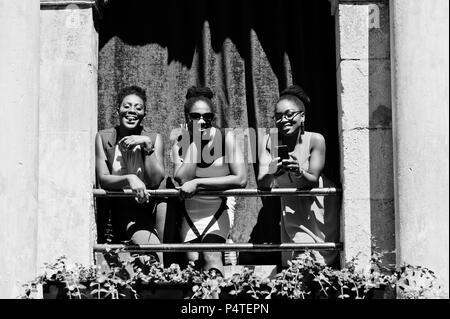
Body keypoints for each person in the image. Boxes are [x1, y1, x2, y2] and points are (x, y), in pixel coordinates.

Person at [257, 84, 340, 267]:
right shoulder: (269, 140)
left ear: (302, 116)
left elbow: (312, 179)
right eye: (278, 116)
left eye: (289, 114)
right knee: (299, 263)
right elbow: (262, 182)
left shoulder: (315, 139)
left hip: (316, 209)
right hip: (291, 210)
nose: (283, 120)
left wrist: (299, 171)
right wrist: (273, 172)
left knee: (315, 264)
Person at [171, 86, 247, 276]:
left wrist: (199, 183)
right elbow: (182, 178)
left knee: (211, 258)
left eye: (208, 117)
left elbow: (241, 179)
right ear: (187, 118)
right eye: (195, 116)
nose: (202, 121)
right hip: (191, 212)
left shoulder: (225, 138)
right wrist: (195, 141)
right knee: (193, 268)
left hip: (218, 207)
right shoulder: (179, 143)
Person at [95, 85, 165, 262]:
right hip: (118, 210)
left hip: (147, 210)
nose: (132, 111)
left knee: (154, 257)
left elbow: (156, 180)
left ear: (144, 114)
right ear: (117, 109)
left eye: (138, 108)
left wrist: (148, 146)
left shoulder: (154, 139)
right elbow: (103, 179)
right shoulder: (104, 138)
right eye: (127, 106)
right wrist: (129, 178)